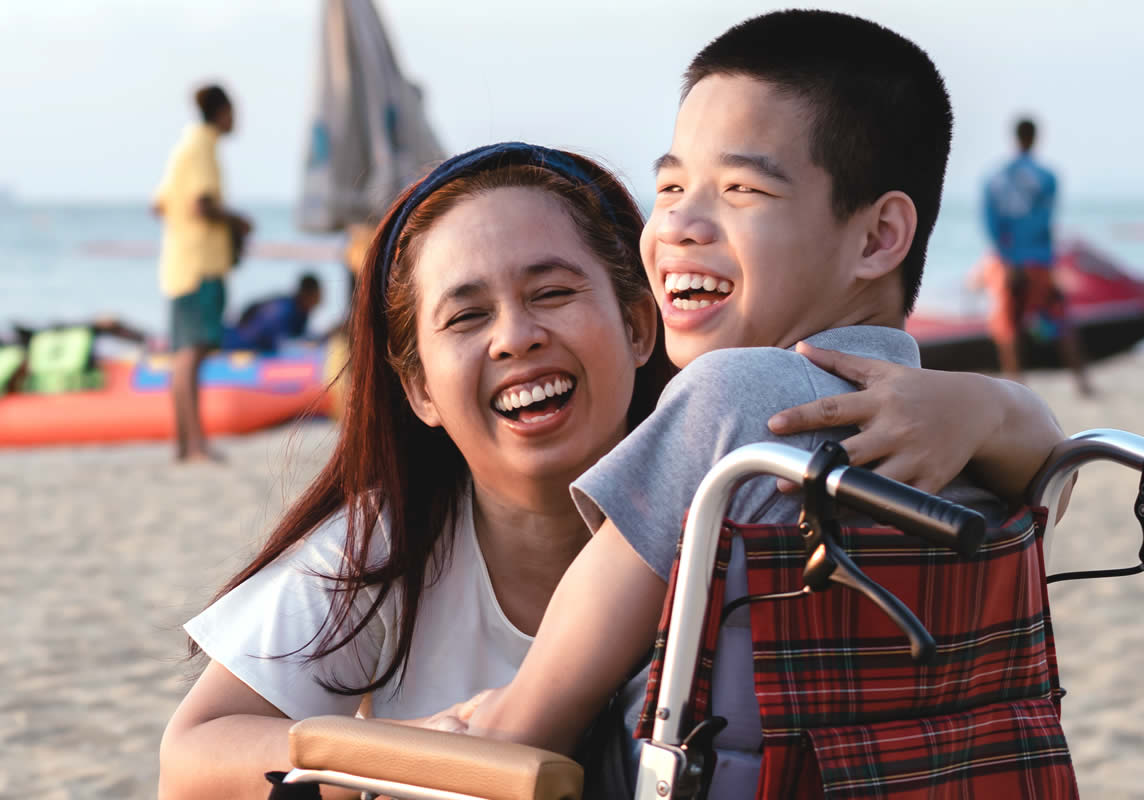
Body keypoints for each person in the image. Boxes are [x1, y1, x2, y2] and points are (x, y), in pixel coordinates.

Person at [157, 143, 1063, 800]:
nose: (517, 336)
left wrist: (986, 405)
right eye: (466, 318)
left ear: (638, 325)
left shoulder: (734, 491)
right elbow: (191, 755)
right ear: (419, 388)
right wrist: (391, 756)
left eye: (553, 293)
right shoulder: (388, 543)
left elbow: (1039, 463)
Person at [459, 12, 1067, 799]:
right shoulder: (974, 435)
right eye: (671, 185)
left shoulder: (738, 402)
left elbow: (524, 732)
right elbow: (1057, 451)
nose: (677, 224)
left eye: (742, 190)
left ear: (880, 237)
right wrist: (999, 406)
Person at [153, 83, 253, 462]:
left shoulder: (184, 146)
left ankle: (184, 443)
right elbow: (201, 204)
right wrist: (238, 222)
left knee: (184, 352)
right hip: (200, 265)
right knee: (191, 354)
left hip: (180, 262)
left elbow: (160, 204)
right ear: (221, 111)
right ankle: (194, 443)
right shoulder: (203, 146)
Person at [983, 116, 1092, 393]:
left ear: (1014, 137)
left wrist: (1008, 258)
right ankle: (1082, 383)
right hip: (1039, 261)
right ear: (1035, 138)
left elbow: (991, 223)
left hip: (1010, 262)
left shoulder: (995, 178)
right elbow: (1045, 222)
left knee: (1009, 326)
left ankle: (1016, 385)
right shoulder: (1047, 177)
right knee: (1059, 320)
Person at [222, 274, 323, 352]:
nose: (320, 300)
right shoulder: (283, 310)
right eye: (318, 295)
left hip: (247, 347)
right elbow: (281, 344)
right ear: (307, 294)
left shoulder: (299, 312)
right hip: (234, 345)